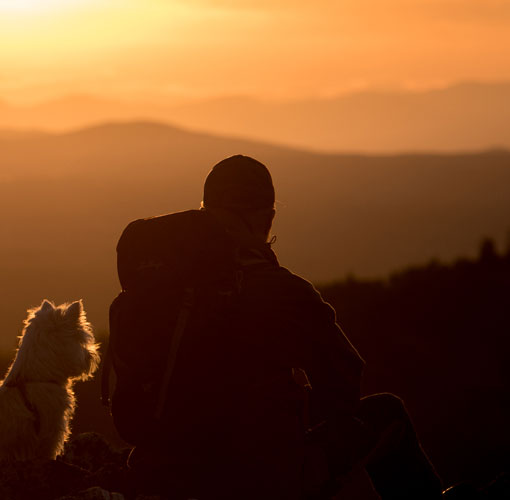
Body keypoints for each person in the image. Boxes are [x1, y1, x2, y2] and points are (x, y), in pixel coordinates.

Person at [104, 155, 441, 499]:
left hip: (161, 473)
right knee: (387, 413)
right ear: (267, 218)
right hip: (257, 481)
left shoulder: (160, 286)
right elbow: (345, 376)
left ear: (204, 211)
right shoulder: (285, 291)